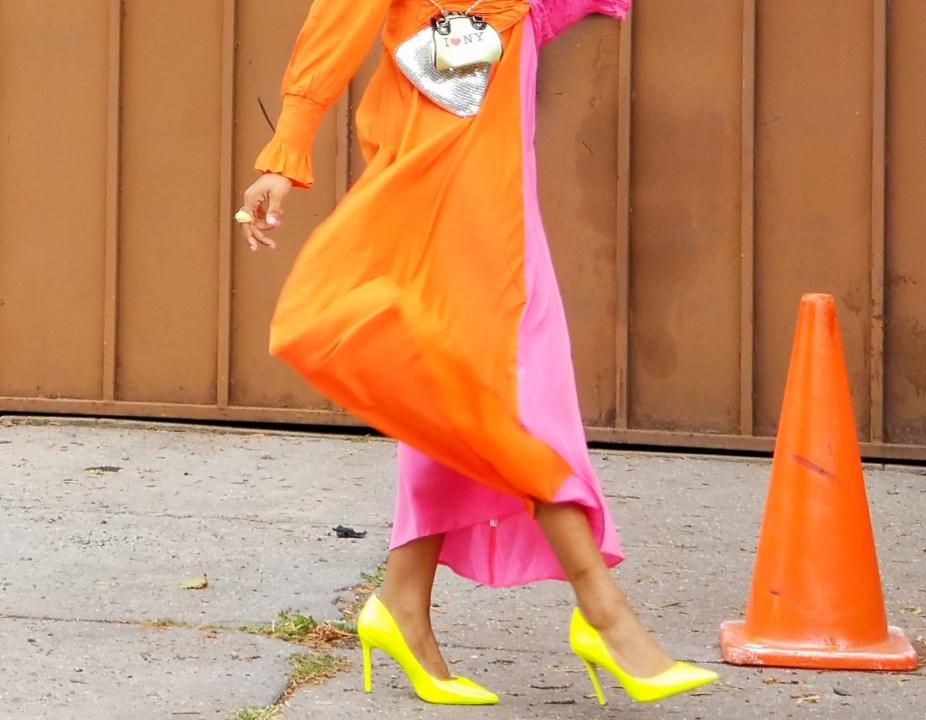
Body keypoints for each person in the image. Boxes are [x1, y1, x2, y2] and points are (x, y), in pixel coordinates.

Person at [237, 0, 717, 707]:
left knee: (458, 386)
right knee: (513, 395)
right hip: (437, 183)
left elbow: (515, 26)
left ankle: (402, 601)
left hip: (496, 184)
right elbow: (340, 18)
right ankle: (603, 610)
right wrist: (289, 148)